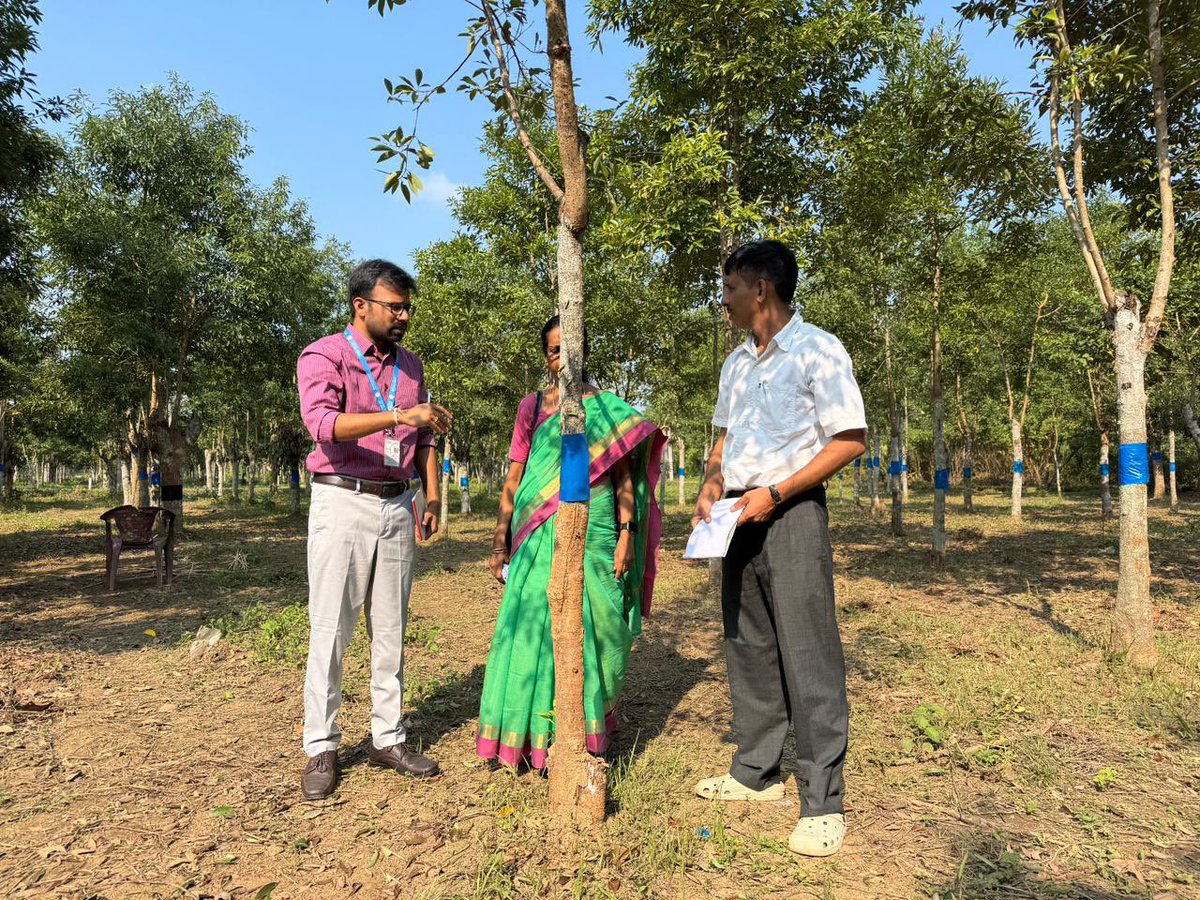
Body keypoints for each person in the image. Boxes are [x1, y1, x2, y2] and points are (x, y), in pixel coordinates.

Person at [691, 240, 866, 857]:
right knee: (748, 643)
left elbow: (849, 439)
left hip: (790, 511)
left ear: (760, 288)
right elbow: (723, 437)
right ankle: (756, 771)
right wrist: (713, 482)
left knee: (808, 650)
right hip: (737, 515)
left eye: (730, 288)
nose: (724, 300)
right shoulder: (736, 363)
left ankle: (823, 800)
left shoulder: (818, 349)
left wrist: (777, 492)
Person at [476, 315, 666, 769]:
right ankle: (530, 738)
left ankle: (581, 733)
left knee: (595, 621)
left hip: (596, 525)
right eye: (553, 350)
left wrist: (627, 533)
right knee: (531, 621)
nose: (561, 357)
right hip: (536, 528)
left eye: (569, 347)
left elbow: (622, 476)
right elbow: (516, 475)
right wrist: (501, 537)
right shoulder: (532, 407)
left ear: (584, 350)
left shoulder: (605, 407)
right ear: (546, 357)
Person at [296, 259, 453, 801]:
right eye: (395, 307)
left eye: (408, 307)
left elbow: (425, 437)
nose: (404, 316)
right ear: (360, 305)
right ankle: (322, 745)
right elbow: (322, 425)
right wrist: (398, 419)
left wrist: (430, 494)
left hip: (396, 503)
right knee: (332, 628)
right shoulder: (325, 356)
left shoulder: (410, 366)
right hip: (342, 501)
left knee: (391, 630)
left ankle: (387, 737)